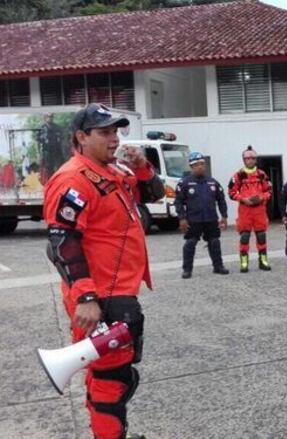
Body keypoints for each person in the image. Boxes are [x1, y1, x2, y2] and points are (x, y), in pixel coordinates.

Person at [43, 103, 164, 439]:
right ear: (81, 137)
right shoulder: (73, 179)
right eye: (104, 132)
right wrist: (85, 297)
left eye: (115, 131)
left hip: (119, 290)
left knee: (108, 375)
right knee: (113, 380)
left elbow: (154, 194)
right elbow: (62, 241)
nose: (114, 139)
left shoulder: (114, 172)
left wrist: (142, 167)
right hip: (100, 296)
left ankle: (108, 433)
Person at [174, 151, 229, 279]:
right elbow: (178, 202)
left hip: (211, 218)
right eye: (197, 165)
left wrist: (224, 216)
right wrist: (182, 218)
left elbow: (221, 200)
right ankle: (187, 270)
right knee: (190, 243)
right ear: (191, 167)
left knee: (214, 242)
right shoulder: (184, 183)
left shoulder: (213, 182)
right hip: (193, 219)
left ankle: (218, 266)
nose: (200, 167)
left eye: (202, 164)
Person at [228, 145, 273, 272]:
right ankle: (244, 263)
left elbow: (269, 191)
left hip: (259, 210)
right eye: (248, 158)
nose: (251, 160)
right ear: (244, 160)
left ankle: (263, 261)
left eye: (253, 158)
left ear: (256, 160)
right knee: (245, 236)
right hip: (245, 210)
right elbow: (231, 192)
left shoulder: (261, 174)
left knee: (261, 236)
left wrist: (261, 198)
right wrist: (243, 199)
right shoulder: (238, 175)